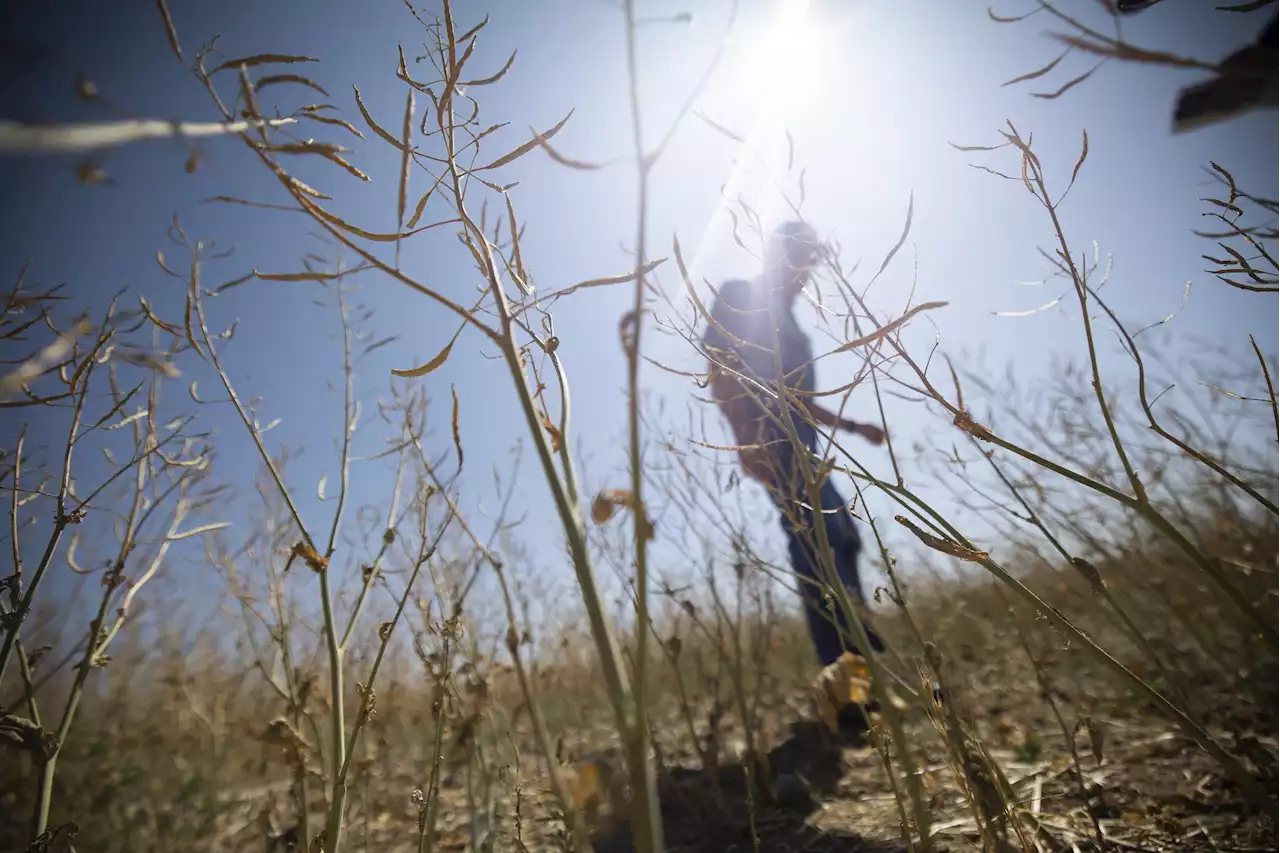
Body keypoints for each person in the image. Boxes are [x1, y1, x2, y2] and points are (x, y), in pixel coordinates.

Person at [701, 220, 887, 679]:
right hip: (774, 445)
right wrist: (747, 438)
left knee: (841, 534)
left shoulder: (792, 322)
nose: (805, 271)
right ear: (776, 252)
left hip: (806, 447)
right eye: (799, 256)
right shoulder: (740, 294)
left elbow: (800, 400)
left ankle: (861, 658)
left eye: (811, 261)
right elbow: (719, 365)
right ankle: (844, 682)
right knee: (814, 541)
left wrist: (853, 426)